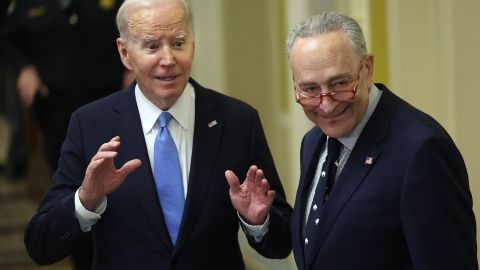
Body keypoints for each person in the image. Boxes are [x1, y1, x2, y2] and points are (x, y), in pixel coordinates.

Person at [24, 0, 292, 269]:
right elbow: (41, 245)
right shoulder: (91, 124)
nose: (168, 60)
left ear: (193, 44)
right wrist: (85, 200)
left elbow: (283, 242)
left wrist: (259, 222)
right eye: (152, 46)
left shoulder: (237, 121)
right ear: (125, 53)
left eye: (178, 43)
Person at [286, 12, 477, 270]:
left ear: (367, 68)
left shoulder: (422, 150)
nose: (327, 105)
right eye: (309, 89)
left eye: (340, 83)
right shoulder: (313, 141)